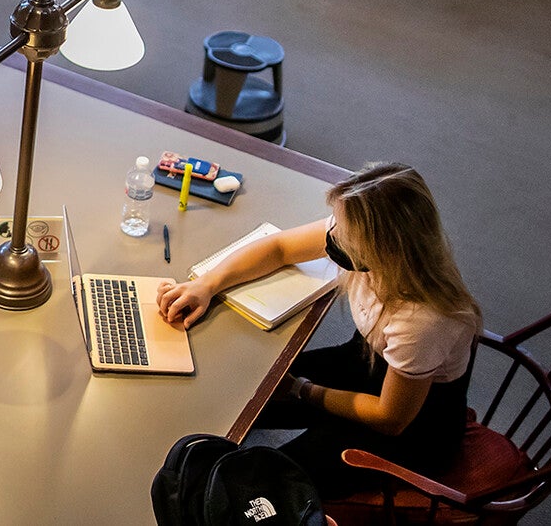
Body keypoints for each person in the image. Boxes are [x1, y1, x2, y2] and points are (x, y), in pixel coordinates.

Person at [156, 162, 481, 498]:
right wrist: (208, 285)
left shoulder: (421, 320)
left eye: (345, 233)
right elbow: (280, 248)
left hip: (412, 430)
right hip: (367, 362)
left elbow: (390, 417)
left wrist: (302, 390)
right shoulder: (367, 239)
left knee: (261, 487)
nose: (334, 234)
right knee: (237, 394)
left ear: (383, 248)